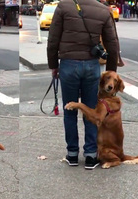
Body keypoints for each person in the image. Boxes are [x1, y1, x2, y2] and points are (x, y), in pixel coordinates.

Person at [47, 0, 119, 169]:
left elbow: (53, 39)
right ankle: (90, 155)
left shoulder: (64, 6)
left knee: (69, 109)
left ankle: (72, 154)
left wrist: (53, 65)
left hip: (68, 65)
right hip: (91, 66)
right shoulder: (103, 11)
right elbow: (112, 44)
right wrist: (110, 72)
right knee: (91, 111)